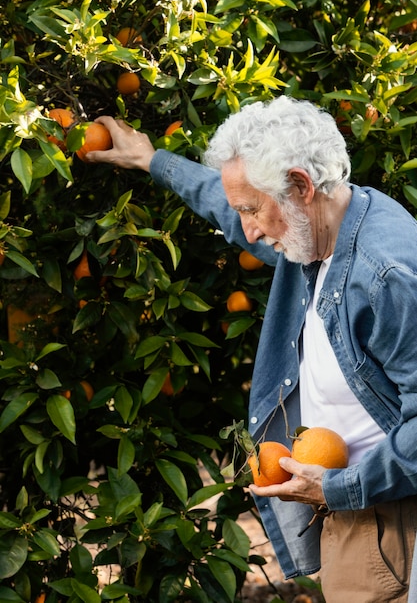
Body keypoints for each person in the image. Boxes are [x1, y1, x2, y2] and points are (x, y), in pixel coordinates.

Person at [86, 96, 417, 603]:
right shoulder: (322, 225)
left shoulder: (385, 277)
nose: (250, 232)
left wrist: (336, 489)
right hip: (355, 511)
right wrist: (150, 159)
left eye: (252, 210)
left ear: (302, 187)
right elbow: (225, 201)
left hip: (384, 519)